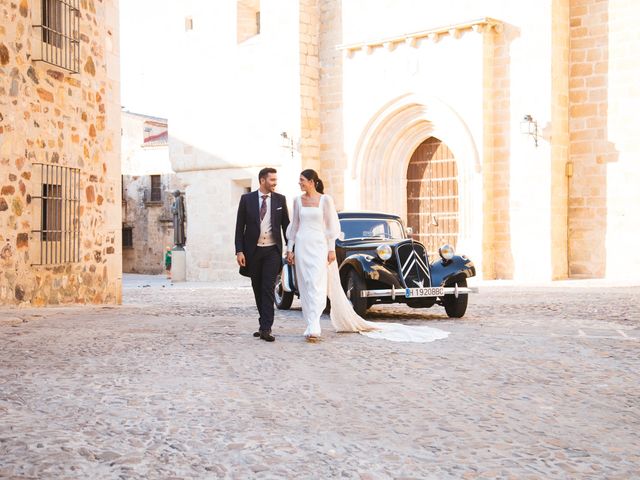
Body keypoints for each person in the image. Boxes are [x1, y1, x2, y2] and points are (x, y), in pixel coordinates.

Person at [286, 169, 449, 343]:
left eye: (302, 180)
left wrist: (331, 248)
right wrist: (290, 248)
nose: (300, 183)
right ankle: (309, 321)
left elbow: (331, 227)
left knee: (318, 284)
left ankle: (315, 322)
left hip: (319, 245)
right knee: (305, 283)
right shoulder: (297, 201)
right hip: (303, 244)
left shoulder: (325, 200)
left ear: (312, 182)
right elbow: (294, 225)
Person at [234, 168, 290, 342]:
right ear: (262, 180)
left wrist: (291, 248)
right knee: (257, 288)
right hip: (253, 251)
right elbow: (239, 227)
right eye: (272, 179)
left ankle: (267, 328)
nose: (275, 182)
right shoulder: (247, 199)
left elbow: (286, 226)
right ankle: (262, 323)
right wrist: (239, 250)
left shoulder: (280, 199)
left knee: (267, 289)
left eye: (275, 179)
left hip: (272, 251)